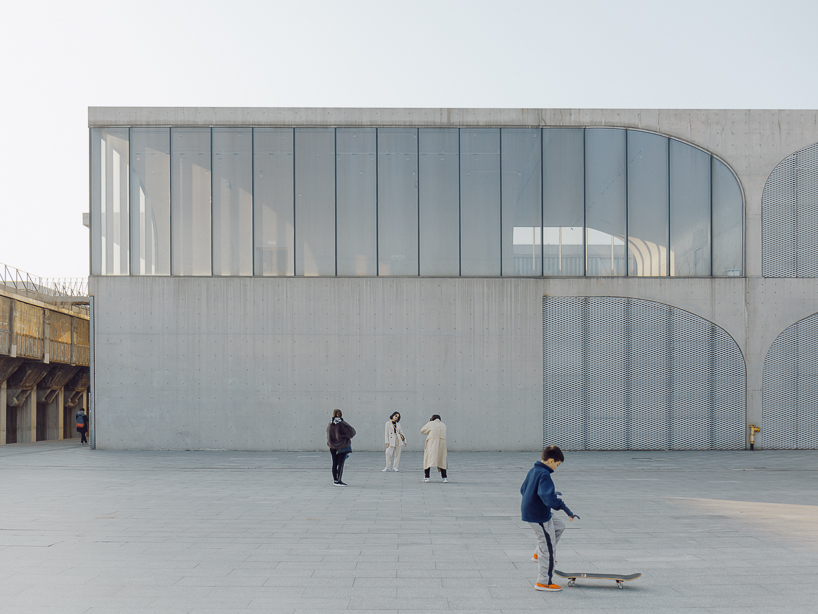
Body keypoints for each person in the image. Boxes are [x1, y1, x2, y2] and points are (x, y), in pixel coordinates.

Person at [520, 445, 578, 592]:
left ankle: (537, 554)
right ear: (551, 461)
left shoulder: (533, 470)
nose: (556, 468)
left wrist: (549, 494)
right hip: (538, 515)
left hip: (534, 511)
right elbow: (548, 497)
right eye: (557, 464)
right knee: (548, 547)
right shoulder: (545, 474)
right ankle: (544, 582)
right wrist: (566, 509)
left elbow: (523, 489)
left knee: (559, 526)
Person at [326, 409, 356, 486]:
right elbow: (352, 432)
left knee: (334, 463)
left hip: (332, 447)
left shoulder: (330, 423)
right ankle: (339, 481)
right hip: (342, 446)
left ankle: (335, 480)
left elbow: (328, 435)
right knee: (341, 463)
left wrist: (331, 444)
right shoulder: (342, 423)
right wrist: (345, 436)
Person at [420, 414, 447, 482]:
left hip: (432, 444)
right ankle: (444, 478)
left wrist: (428, 422)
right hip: (442, 444)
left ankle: (427, 477)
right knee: (442, 460)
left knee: (427, 459)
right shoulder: (444, 425)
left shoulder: (430, 424)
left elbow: (423, 431)